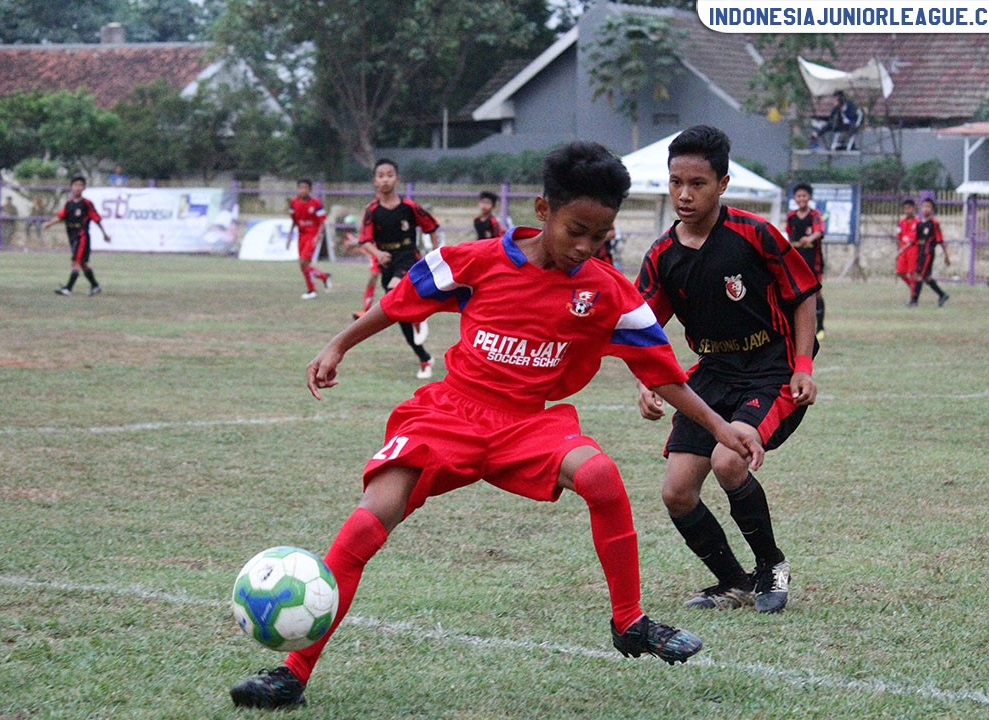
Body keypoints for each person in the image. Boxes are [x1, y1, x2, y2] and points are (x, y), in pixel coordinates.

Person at [229, 141, 766, 710]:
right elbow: (400, 300)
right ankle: (291, 673)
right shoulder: (475, 261)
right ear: (543, 210)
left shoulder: (607, 292)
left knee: (601, 476)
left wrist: (718, 426)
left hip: (527, 426)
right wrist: (338, 344)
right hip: (448, 415)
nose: (586, 246)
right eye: (576, 230)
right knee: (364, 528)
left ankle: (629, 621)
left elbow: (662, 374)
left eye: (600, 236)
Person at [635, 125, 819, 615]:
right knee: (676, 491)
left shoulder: (754, 234)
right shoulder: (661, 256)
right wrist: (644, 380)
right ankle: (733, 582)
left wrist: (803, 365)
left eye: (697, 183)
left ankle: (771, 566)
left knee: (728, 459)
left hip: (769, 368)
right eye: (676, 182)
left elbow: (803, 297)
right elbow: (643, 328)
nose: (684, 194)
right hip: (712, 372)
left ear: (723, 183)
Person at [357, 159, 438, 379]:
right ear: (375, 180)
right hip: (387, 261)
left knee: (394, 291)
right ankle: (424, 357)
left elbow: (431, 227)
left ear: (397, 179)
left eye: (390, 174)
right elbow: (364, 240)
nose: (385, 179)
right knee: (396, 312)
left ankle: (419, 318)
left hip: (408, 256)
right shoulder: (371, 210)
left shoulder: (409, 207)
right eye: (381, 175)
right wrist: (378, 254)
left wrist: (437, 253)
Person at [42, 176, 111, 296]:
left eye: (80, 185)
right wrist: (49, 224)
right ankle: (95, 285)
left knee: (75, 262)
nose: (77, 188)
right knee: (83, 263)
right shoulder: (69, 204)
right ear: (71, 187)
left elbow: (96, 219)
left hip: (82, 236)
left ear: (84, 187)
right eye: (75, 185)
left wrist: (104, 234)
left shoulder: (86, 204)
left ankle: (68, 289)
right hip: (72, 236)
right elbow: (60, 216)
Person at [786, 182, 826, 339]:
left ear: (809, 197)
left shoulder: (814, 215)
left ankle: (820, 327)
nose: (801, 198)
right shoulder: (791, 217)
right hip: (796, 260)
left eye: (804, 195)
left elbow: (819, 231)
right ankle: (796, 327)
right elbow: (788, 235)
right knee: (795, 293)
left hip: (813, 260)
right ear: (795, 199)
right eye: (798, 196)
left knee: (816, 293)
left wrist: (809, 238)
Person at [286, 179, 332, 299]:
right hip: (301, 235)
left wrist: (318, 236)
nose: (302, 190)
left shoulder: (316, 204)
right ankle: (323, 277)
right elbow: (294, 221)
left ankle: (312, 290)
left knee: (303, 262)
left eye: (305, 188)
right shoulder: (293, 203)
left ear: (310, 190)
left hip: (312, 235)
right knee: (303, 266)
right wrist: (289, 236)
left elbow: (322, 222)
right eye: (300, 188)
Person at [908, 198, 950, 307]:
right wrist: (902, 250)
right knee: (926, 277)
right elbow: (914, 240)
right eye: (924, 206)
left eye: (928, 206)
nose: (925, 209)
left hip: (928, 253)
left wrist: (947, 256)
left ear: (932, 210)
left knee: (919, 276)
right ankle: (942, 295)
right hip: (920, 252)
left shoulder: (934, 224)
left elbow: (941, 241)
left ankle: (914, 301)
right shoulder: (919, 224)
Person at [340, 213, 380, 319]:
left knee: (395, 283)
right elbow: (365, 239)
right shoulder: (370, 220)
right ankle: (366, 311)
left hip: (393, 252)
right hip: (377, 252)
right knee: (373, 277)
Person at [894, 199, 920, 299]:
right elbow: (899, 236)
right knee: (900, 272)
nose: (907, 210)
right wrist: (899, 250)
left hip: (912, 250)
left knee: (911, 273)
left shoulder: (917, 223)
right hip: (903, 250)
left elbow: (912, 240)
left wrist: (901, 250)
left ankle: (913, 295)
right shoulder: (901, 223)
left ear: (913, 209)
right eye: (905, 208)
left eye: (909, 208)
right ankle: (914, 288)